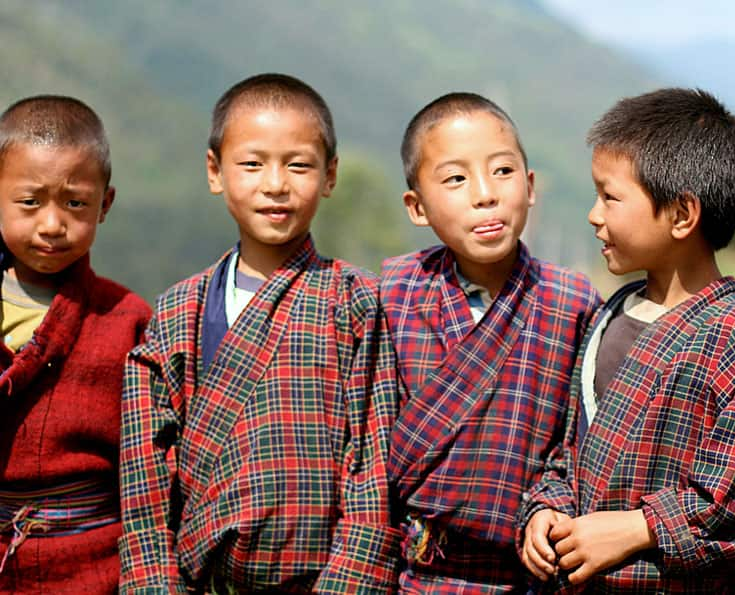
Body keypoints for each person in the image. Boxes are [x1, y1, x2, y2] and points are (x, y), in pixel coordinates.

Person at [118, 73, 399, 593]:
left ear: (330, 175)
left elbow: (373, 470)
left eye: (298, 165)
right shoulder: (178, 309)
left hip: (321, 581)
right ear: (214, 170)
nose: (275, 184)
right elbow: (145, 477)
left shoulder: (357, 301)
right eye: (252, 163)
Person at [519, 88, 735, 592]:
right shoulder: (606, 317)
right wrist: (547, 508)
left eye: (610, 196)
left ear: (682, 215)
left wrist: (637, 528)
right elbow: (568, 450)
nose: (593, 215)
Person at [382, 92, 601, 592]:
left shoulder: (571, 301)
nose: (485, 194)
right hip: (413, 573)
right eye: (456, 179)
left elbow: (578, 441)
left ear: (529, 187)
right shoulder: (392, 293)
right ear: (417, 206)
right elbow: (369, 446)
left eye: (502, 172)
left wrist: (550, 505)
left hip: (527, 574)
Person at [0, 95, 150, 593]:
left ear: (105, 204)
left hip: (92, 565)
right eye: (29, 201)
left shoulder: (128, 319)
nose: (51, 224)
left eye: (75, 203)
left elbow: (148, 470)